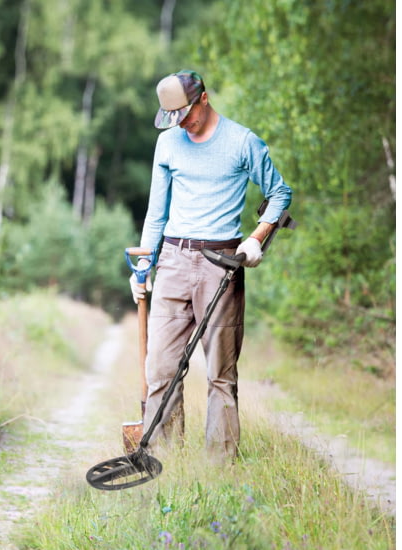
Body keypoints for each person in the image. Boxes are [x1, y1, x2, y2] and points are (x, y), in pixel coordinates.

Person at [130, 69, 292, 460]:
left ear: (203, 97)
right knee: (160, 370)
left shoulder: (242, 142)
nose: (181, 124)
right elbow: (157, 212)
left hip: (220, 263)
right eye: (172, 118)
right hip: (171, 261)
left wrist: (256, 239)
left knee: (220, 374)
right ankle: (165, 464)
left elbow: (279, 194)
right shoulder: (167, 144)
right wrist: (143, 266)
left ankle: (219, 470)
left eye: (185, 114)